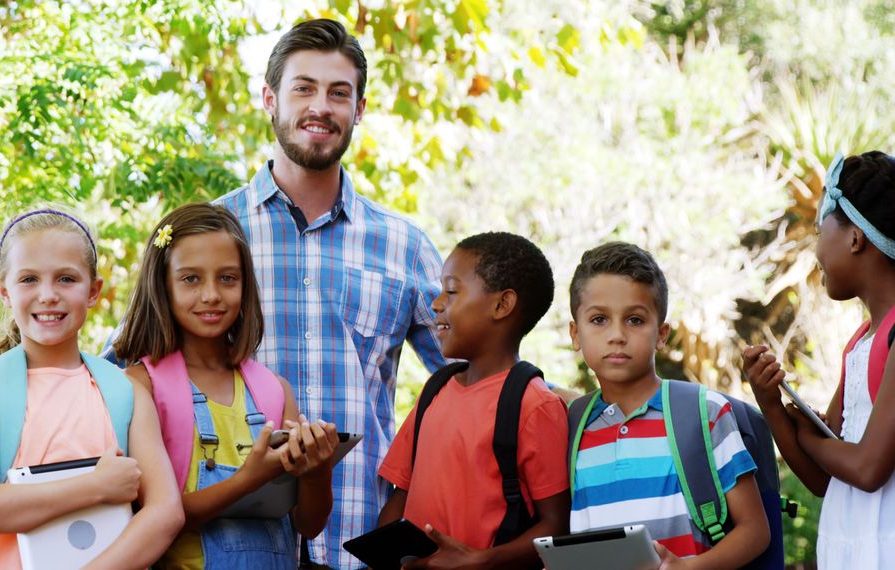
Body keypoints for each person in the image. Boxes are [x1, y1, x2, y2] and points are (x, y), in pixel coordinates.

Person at [211, 19, 447, 568]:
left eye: (339, 93)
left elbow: (473, 369)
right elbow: (131, 366)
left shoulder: (404, 246)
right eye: (304, 88)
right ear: (269, 99)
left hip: (358, 541)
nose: (322, 106)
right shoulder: (212, 234)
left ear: (359, 109)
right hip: (234, 539)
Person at [0, 207, 182, 569]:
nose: (48, 295)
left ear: (94, 291)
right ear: (3, 291)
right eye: (28, 280)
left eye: (66, 279)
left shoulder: (125, 391)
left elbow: (165, 512)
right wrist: (95, 487)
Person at [111, 203, 339, 569]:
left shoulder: (274, 390)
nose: (211, 295)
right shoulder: (143, 386)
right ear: (162, 285)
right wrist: (248, 480)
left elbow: (308, 526)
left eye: (228, 278)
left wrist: (318, 472)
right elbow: (153, 516)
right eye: (191, 279)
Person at [568, 242, 769, 568]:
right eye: (599, 319)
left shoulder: (706, 414)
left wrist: (687, 568)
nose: (616, 335)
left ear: (661, 335)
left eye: (634, 320)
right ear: (576, 334)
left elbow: (755, 531)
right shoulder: (570, 427)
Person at [377, 232, 570, 568]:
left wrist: (483, 561)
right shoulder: (434, 392)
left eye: (451, 291)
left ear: (502, 305)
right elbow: (401, 495)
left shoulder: (535, 405)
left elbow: (557, 525)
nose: (436, 303)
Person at [744, 151, 895, 568]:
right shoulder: (860, 343)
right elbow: (824, 479)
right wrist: (773, 405)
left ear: (855, 236)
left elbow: (866, 468)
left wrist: (809, 436)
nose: (814, 249)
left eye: (817, 230)